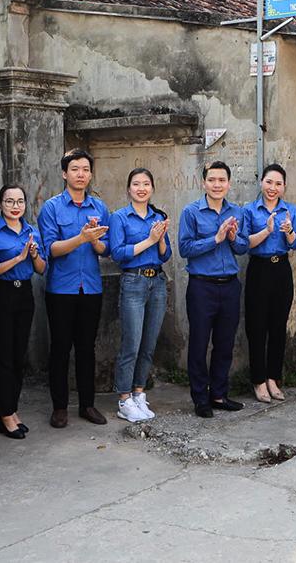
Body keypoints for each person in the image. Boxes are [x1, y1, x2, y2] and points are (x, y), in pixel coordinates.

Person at [39, 149, 111, 428]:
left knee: (86, 348)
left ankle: (87, 404)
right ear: (64, 173)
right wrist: (80, 238)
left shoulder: (100, 208)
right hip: (61, 288)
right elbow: (51, 250)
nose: (81, 174)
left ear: (91, 174)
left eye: (85, 169)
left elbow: (106, 250)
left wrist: (93, 241)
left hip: (90, 288)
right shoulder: (52, 208)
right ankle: (59, 407)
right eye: (75, 169)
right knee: (59, 349)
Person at [178, 160, 249, 418]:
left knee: (225, 343)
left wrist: (232, 239)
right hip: (201, 287)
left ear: (229, 184)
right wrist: (215, 239)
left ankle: (219, 394)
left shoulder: (237, 212)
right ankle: (200, 398)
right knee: (199, 343)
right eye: (212, 180)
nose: (217, 184)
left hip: (229, 286)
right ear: (203, 182)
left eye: (222, 180)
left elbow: (242, 248)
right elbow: (185, 249)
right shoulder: (191, 212)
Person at [108, 168, 172, 422]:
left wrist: (161, 238)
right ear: (129, 189)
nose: (141, 188)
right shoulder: (120, 217)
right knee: (131, 343)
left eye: (146, 183)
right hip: (133, 281)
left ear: (152, 188)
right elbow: (118, 253)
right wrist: (149, 240)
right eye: (136, 184)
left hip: (156, 280)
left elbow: (166, 255)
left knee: (149, 343)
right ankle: (123, 399)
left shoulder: (158, 216)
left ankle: (138, 393)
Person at [0, 184, 46, 438]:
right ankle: (4, 414)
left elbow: (42, 268)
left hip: (24, 294)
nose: (15, 206)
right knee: (2, 356)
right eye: (9, 201)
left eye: (20, 201)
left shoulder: (31, 231)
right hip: (0, 293)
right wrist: (18, 258)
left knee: (18, 355)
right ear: (0, 204)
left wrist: (32, 256)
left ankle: (12, 408)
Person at [243, 164, 296, 403]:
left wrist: (288, 232)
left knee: (278, 327)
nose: (273, 188)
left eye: (278, 184)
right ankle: (258, 380)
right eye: (269, 182)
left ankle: (273, 378)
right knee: (256, 327)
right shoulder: (249, 210)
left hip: (282, 270)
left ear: (284, 187)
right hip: (259, 269)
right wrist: (267, 231)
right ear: (261, 183)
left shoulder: (290, 211)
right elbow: (244, 243)